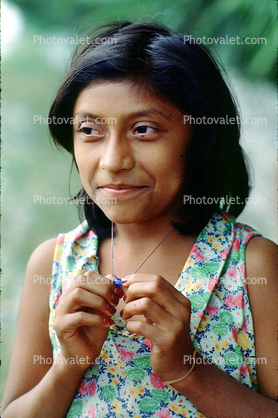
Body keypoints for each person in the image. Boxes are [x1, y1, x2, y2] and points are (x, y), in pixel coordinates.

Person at [2, 22, 277, 418]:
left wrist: (188, 371)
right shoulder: (53, 264)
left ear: (201, 139)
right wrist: (68, 365)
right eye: (90, 130)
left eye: (144, 130)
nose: (114, 161)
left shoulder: (252, 266)